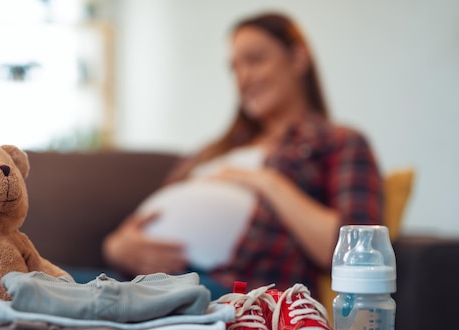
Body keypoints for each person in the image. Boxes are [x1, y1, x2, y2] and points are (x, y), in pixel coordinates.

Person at [102, 12, 383, 299]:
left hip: (226, 291)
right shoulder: (215, 150)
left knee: (62, 298)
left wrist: (265, 182)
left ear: (298, 58)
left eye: (255, 59)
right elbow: (151, 215)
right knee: (55, 281)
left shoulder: (339, 142)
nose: (243, 78)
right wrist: (117, 248)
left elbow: (356, 255)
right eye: (235, 68)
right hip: (140, 281)